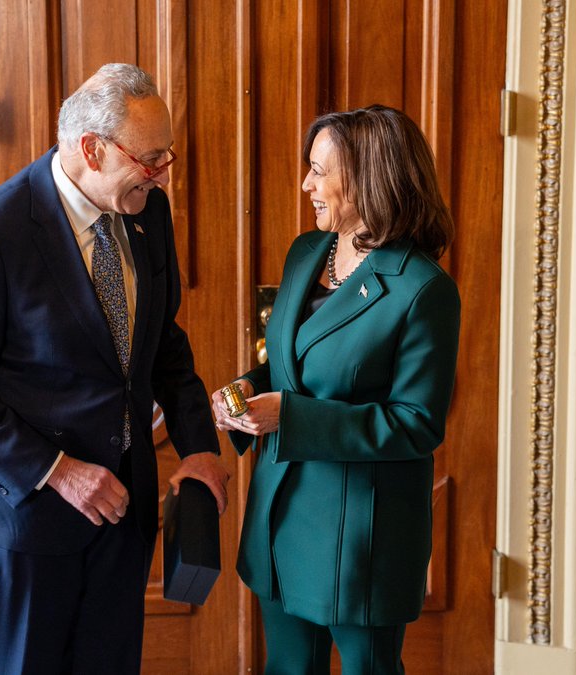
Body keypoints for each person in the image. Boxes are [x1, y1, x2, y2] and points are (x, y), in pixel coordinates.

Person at [0, 63, 229, 675]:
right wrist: (58, 472)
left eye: (167, 155)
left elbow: (163, 341)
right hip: (21, 522)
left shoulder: (148, 213)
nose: (165, 173)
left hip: (120, 516)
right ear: (92, 148)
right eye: (150, 159)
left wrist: (197, 447)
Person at [212, 105, 460, 675]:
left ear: (370, 179)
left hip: (361, 533)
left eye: (320, 171)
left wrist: (291, 418)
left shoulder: (424, 290)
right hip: (280, 513)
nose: (307, 184)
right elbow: (289, 366)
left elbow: (416, 422)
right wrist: (247, 393)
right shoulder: (306, 252)